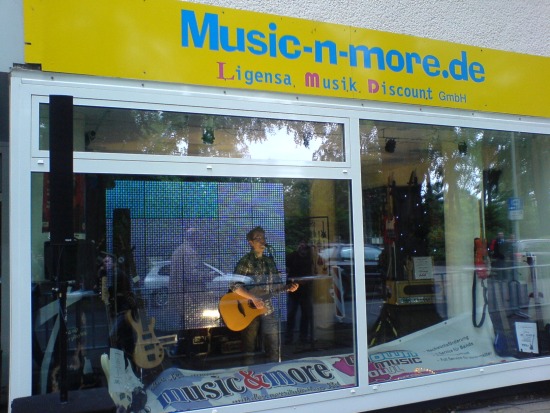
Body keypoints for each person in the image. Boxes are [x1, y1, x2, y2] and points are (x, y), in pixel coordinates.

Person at [231, 226, 299, 363]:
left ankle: (273, 368)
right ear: (250, 242)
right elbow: (234, 285)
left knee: (273, 344)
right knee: (249, 346)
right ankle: (249, 371)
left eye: (263, 238)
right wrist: (253, 298)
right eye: (258, 238)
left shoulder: (269, 261)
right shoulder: (246, 261)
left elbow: (276, 285)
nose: (262, 241)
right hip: (248, 309)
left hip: (267, 307)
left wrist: (288, 287)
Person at [285, 240, 314, 345]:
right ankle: (290, 337)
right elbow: (286, 269)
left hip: (305, 289)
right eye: (301, 246)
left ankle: (302, 337)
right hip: (295, 289)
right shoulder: (293, 256)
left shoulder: (310, 257)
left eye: (304, 247)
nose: (302, 249)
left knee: (305, 314)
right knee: (292, 314)